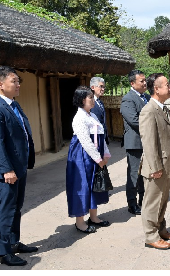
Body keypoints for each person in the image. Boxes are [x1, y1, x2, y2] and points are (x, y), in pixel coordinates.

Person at [0, 66, 37, 266]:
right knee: (6, 209)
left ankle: (14, 243)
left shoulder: (14, 105)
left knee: (16, 207)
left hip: (19, 167)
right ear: (0, 84)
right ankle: (3, 252)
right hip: (7, 170)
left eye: (18, 80)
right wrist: (7, 169)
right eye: (13, 81)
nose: (18, 84)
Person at [139, 73, 170, 250]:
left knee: (162, 200)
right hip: (155, 166)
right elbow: (148, 142)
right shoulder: (148, 111)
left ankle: (161, 229)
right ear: (156, 89)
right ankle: (151, 236)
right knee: (152, 202)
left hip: (165, 164)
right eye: (166, 85)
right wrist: (155, 167)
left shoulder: (163, 108)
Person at [66, 85, 111, 235]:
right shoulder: (79, 118)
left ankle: (94, 217)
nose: (92, 100)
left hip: (94, 154)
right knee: (82, 186)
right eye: (90, 97)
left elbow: (101, 135)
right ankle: (80, 222)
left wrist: (105, 154)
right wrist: (98, 158)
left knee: (94, 184)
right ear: (81, 100)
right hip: (82, 155)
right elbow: (85, 141)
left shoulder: (92, 115)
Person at [120, 69, 150, 216]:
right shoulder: (128, 99)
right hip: (135, 142)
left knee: (145, 173)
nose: (145, 83)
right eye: (142, 81)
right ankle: (132, 204)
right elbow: (134, 120)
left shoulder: (147, 97)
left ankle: (143, 200)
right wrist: (152, 125)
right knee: (133, 174)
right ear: (132, 83)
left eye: (145, 80)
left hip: (147, 142)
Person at [90, 76, 109, 145]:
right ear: (93, 87)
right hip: (94, 139)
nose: (103, 89)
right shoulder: (88, 103)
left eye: (104, 87)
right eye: (101, 86)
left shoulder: (100, 102)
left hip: (102, 137)